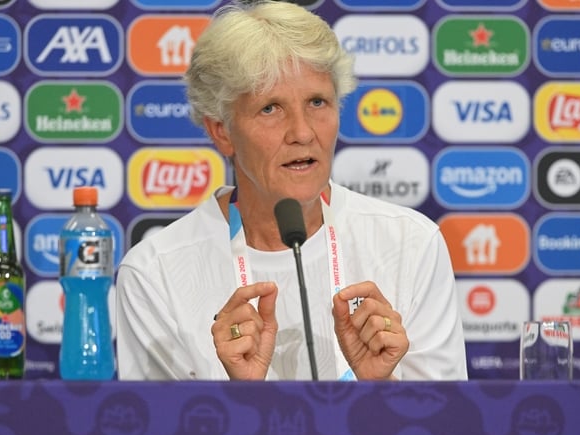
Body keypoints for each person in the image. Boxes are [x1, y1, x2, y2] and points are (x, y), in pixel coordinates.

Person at [115, 0, 468, 381]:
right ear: (222, 130)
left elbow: (446, 431)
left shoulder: (410, 244)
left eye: (317, 102)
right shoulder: (155, 274)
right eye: (271, 108)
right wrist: (241, 396)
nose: (302, 132)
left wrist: (376, 390)